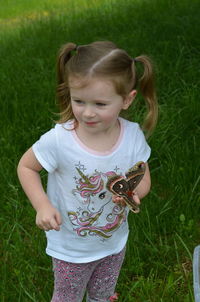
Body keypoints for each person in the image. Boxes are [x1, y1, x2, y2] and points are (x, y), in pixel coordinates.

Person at [17, 41, 158, 302]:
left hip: (114, 241)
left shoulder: (133, 135)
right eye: (78, 101)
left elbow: (142, 173)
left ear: (127, 99)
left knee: (102, 293)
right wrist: (42, 206)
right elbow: (26, 167)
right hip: (72, 248)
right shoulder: (60, 140)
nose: (87, 112)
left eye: (100, 104)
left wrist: (137, 191)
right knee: (67, 297)